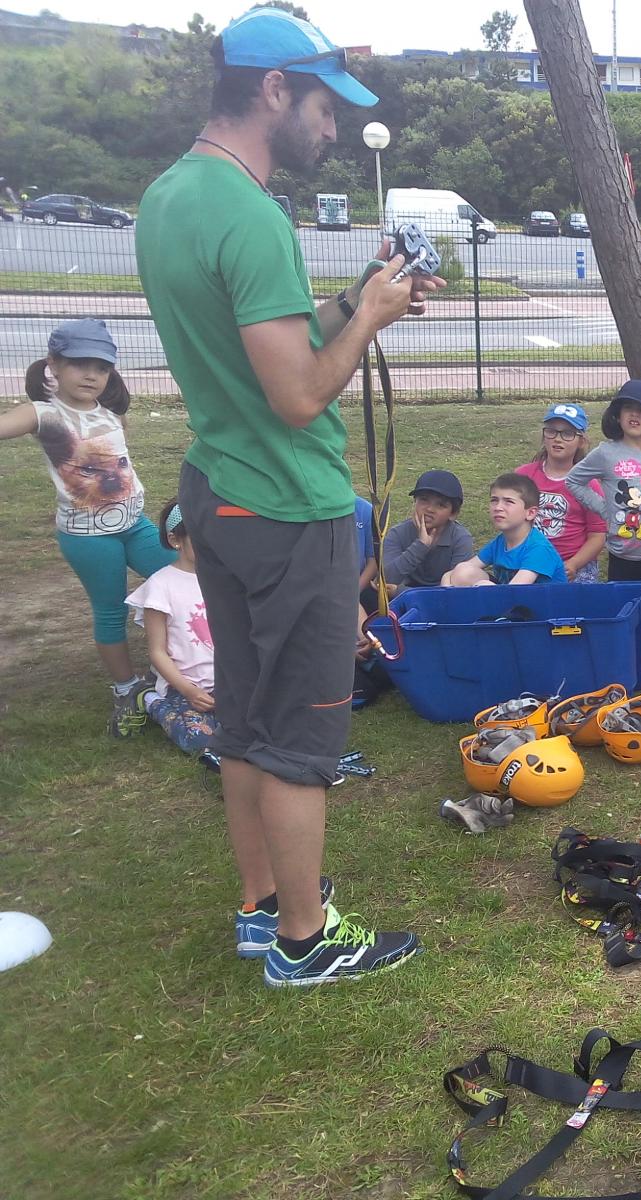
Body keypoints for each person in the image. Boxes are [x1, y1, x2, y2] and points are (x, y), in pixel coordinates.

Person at [136, 6, 436, 985]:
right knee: (302, 732)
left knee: (245, 717)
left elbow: (264, 333)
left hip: (217, 490)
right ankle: (307, 943)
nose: (334, 127)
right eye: (323, 106)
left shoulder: (171, 194)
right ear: (274, 90)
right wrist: (371, 323)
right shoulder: (253, 215)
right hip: (286, 506)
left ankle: (262, 906)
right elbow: (301, 393)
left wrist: (356, 301)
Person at [0, 318, 175, 736]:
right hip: (88, 538)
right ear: (54, 364)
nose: (91, 374)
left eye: (101, 367)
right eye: (79, 364)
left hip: (134, 525)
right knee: (111, 609)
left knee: (181, 577)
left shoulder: (112, 414)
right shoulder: (42, 413)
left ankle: (173, 665)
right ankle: (127, 690)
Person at [564, 380, 641, 631]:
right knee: (625, 621)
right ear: (617, 415)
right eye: (628, 408)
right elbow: (574, 480)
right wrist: (604, 509)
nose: (635, 415)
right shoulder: (606, 453)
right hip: (622, 555)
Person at [125, 501, 218, 763]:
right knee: (199, 740)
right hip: (184, 686)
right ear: (175, 539)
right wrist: (188, 690)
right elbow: (157, 652)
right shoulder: (161, 586)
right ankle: (150, 699)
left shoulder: (227, 578)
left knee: (260, 726)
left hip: (230, 683)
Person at [516, 402, 605, 584]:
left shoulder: (588, 484)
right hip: (528, 562)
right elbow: (511, 521)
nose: (558, 439)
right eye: (551, 431)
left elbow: (597, 535)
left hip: (572, 564)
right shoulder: (523, 476)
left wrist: (574, 564)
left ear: (581, 441)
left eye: (567, 433)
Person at [445, 473, 565, 586]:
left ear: (530, 513)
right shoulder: (500, 542)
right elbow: (460, 570)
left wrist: (486, 589)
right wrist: (447, 586)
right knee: (463, 572)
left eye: (509, 502)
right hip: (510, 596)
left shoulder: (539, 548)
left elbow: (515, 590)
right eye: (494, 500)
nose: (498, 507)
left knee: (482, 585)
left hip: (540, 601)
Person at [381, 470, 475, 597]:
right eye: (424, 500)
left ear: (453, 514)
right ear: (415, 502)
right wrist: (421, 545)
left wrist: (402, 592)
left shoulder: (461, 538)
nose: (430, 509)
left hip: (442, 601)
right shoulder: (397, 533)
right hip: (401, 602)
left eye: (440, 505)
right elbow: (385, 579)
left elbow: (457, 590)